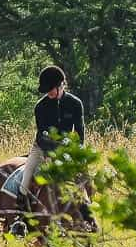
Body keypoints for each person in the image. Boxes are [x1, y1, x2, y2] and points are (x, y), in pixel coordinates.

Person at [17, 65, 86, 216]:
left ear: (61, 85)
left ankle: (87, 213)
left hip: (67, 149)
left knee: (82, 178)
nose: (48, 93)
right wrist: (49, 155)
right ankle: (20, 218)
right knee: (26, 176)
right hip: (42, 148)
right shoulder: (40, 107)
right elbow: (41, 136)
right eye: (46, 90)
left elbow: (80, 134)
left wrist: (75, 152)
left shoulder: (75, 104)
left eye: (51, 89)